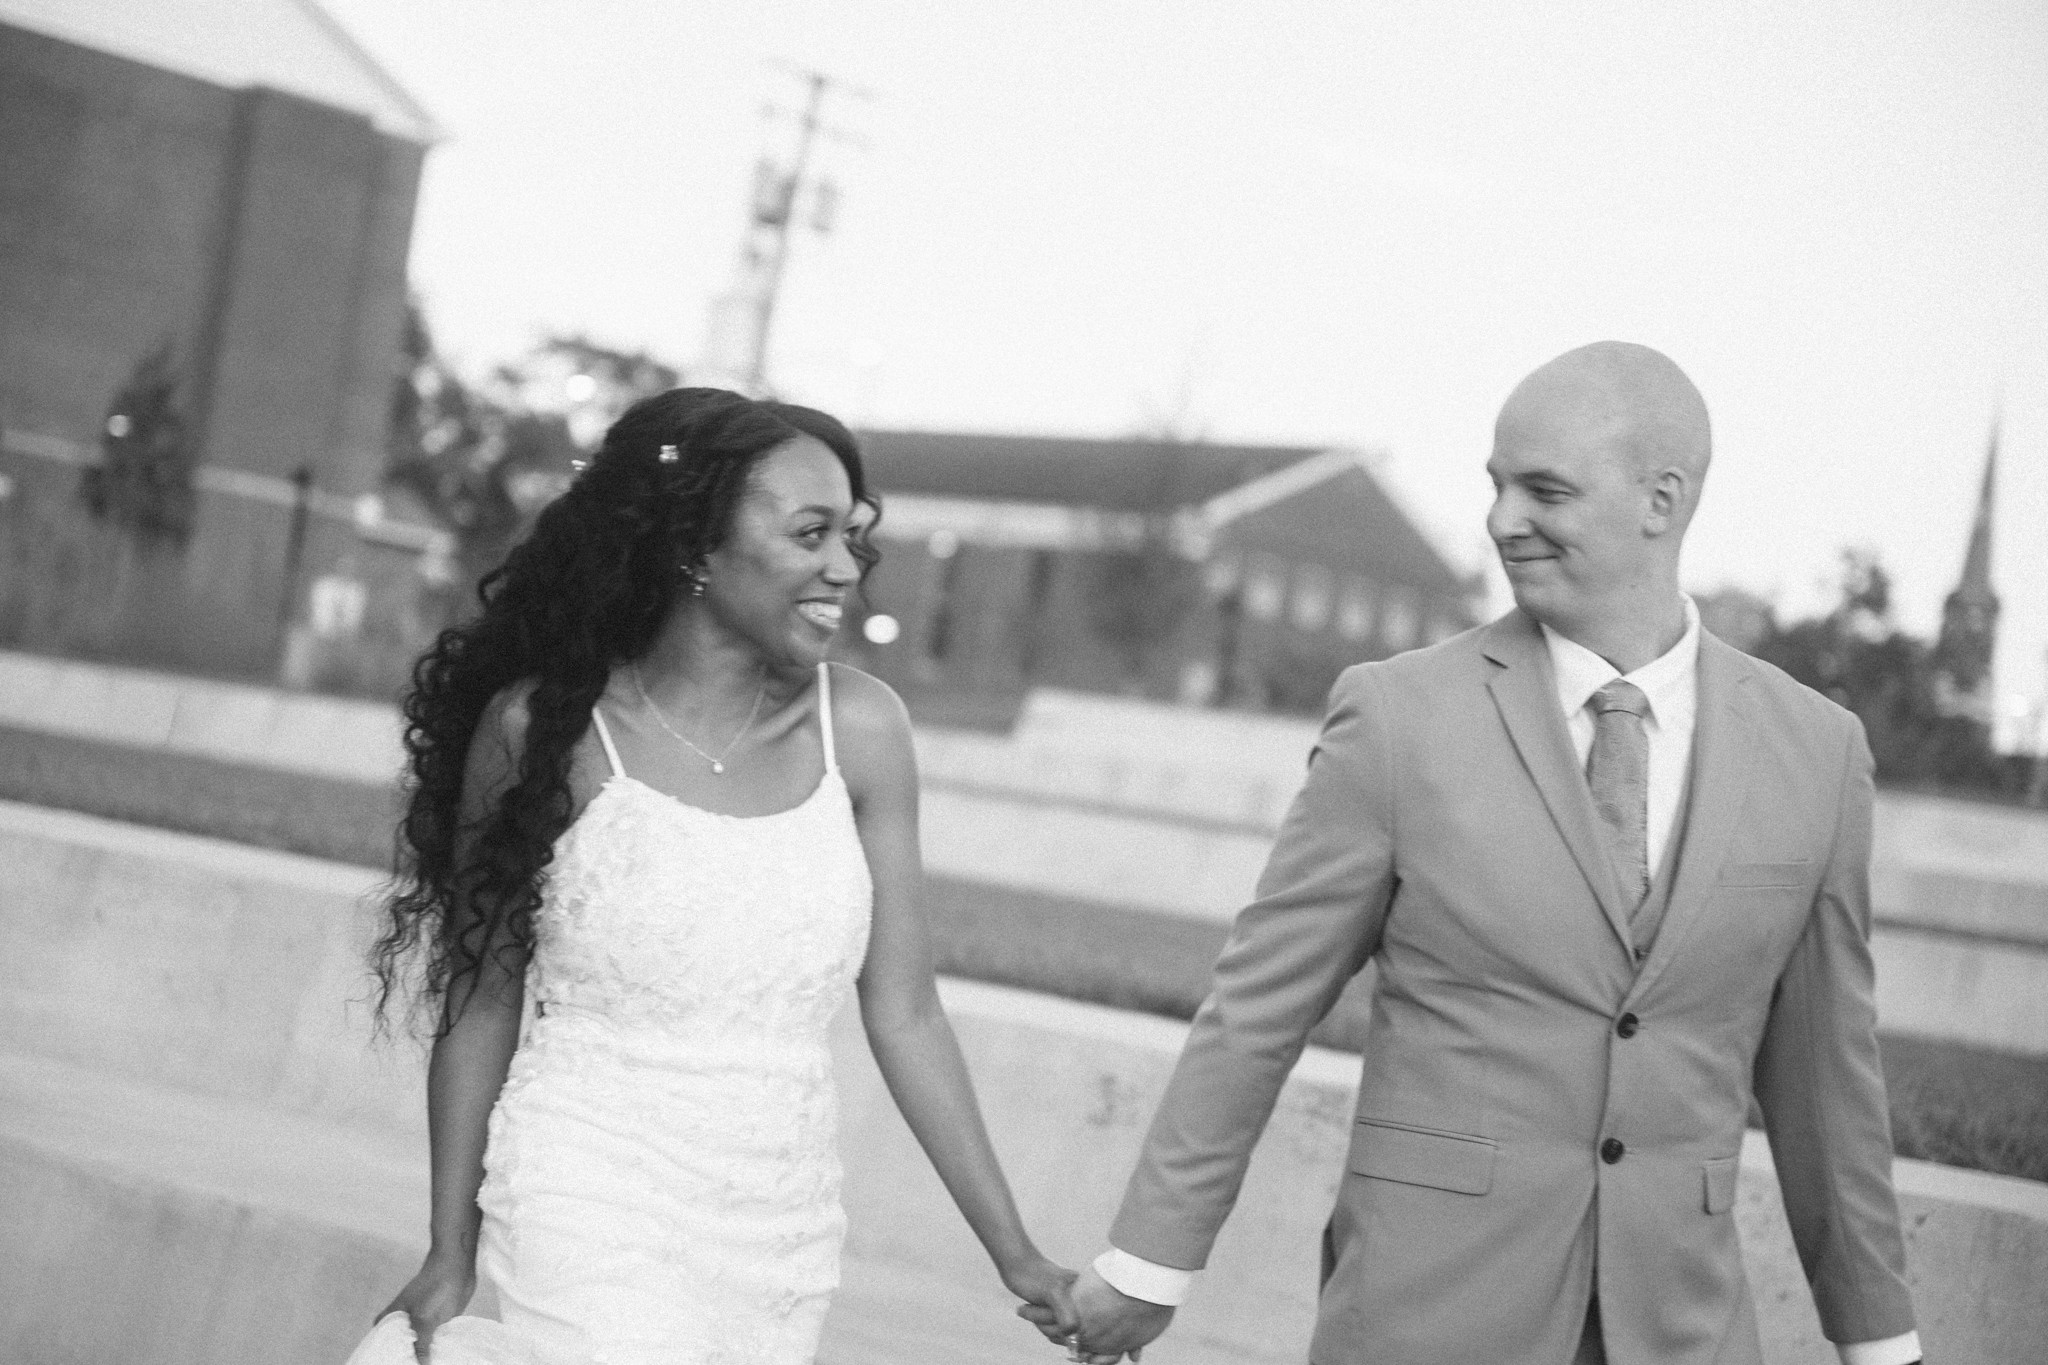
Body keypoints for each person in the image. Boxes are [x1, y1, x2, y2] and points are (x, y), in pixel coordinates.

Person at [1044, 343, 1921, 1364]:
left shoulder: (1817, 754)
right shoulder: (1396, 717)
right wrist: (1148, 1268)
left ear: (1661, 500)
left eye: (1543, 490)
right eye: (1496, 485)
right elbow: (1254, 1013)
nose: (1502, 520)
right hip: (1426, 1315)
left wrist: (1880, 1344)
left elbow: (1827, 1086)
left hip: (1682, 1326)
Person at [366, 388, 1078, 1363]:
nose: (845, 568)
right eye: (810, 534)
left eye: (851, 536)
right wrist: (451, 1249)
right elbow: (481, 996)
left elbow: (908, 1013)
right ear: (695, 548)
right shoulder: (544, 732)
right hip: (588, 1184)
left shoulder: (863, 731)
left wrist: (1018, 1256)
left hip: (779, 1223)